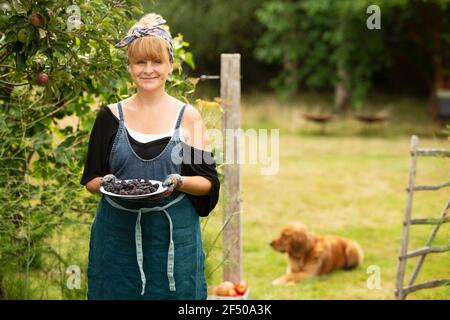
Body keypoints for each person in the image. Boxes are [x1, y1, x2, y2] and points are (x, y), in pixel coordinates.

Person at [80, 13, 220, 300]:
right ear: (130, 67)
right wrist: (109, 183)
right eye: (140, 62)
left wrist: (178, 182)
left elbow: (208, 184)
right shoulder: (110, 116)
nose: (148, 70)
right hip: (117, 239)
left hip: (174, 241)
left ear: (170, 65)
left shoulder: (188, 117)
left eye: (157, 62)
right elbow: (91, 180)